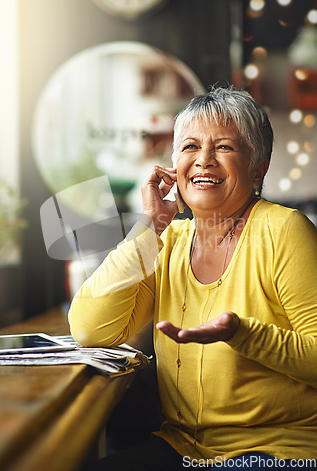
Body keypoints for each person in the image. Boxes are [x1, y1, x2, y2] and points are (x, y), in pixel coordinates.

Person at [69, 87, 317, 470]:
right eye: (189, 147)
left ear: (259, 168)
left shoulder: (284, 230)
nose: (204, 161)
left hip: (276, 450)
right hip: (181, 447)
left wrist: (243, 334)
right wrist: (150, 227)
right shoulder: (167, 241)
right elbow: (91, 329)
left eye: (224, 148)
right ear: (173, 165)